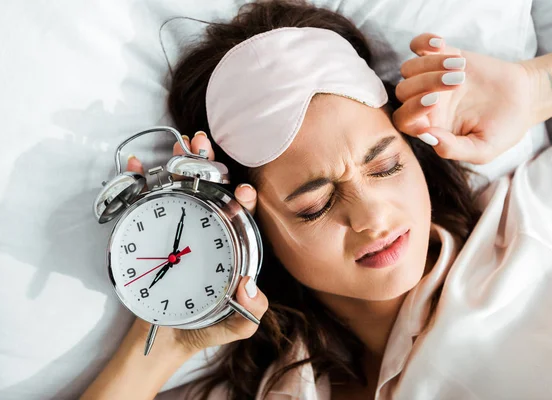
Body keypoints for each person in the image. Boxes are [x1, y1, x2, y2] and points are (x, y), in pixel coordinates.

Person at [82, 1, 552, 399]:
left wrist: (532, 90)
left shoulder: (532, 220)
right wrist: (170, 333)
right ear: (252, 224)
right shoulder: (278, 386)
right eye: (316, 205)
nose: (372, 217)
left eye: (386, 166)